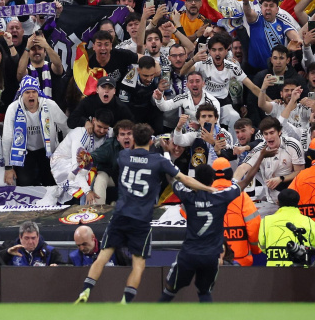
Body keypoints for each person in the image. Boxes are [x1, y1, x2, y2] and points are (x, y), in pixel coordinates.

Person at [75, 123, 216, 304]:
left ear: (133, 139)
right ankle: (125, 301)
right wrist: (207, 189)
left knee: (103, 255)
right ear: (151, 140)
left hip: (120, 215)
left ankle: (85, 291)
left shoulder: (124, 156)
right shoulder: (159, 161)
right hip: (141, 219)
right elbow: (185, 179)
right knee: (139, 264)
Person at [159, 163, 247, 303]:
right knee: (204, 291)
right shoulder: (220, 197)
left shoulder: (188, 196)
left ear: (195, 180)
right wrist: (260, 158)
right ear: (212, 180)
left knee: (170, 288)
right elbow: (243, 182)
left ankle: (154, 316)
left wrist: (168, 162)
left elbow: (172, 179)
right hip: (211, 255)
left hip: (189, 253)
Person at [2, 76, 69, 186]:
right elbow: (7, 139)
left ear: (38, 93)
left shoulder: (49, 105)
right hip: (25, 151)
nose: (31, 95)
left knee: (52, 182)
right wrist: (8, 167)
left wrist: (66, 153)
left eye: (34, 91)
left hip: (48, 152)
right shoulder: (13, 108)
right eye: (27, 92)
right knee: (25, 182)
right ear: (21, 94)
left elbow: (66, 127)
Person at [259, 188, 315, 267]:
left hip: (274, 271)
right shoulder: (308, 222)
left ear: (278, 202)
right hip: (301, 272)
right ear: (298, 202)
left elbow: (262, 247)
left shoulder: (266, 221)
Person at [0, 220, 64, 266]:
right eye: (26, 238)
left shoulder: (49, 251)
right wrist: (7, 253)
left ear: (38, 236)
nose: (30, 242)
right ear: (20, 237)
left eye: (33, 238)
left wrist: (56, 269)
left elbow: (65, 269)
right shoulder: (10, 247)